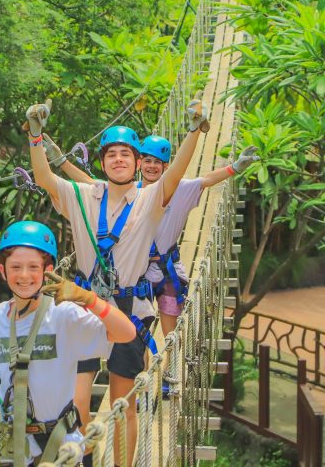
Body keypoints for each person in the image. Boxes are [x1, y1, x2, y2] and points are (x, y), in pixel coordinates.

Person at [24, 97, 209, 466]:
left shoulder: (150, 198)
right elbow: (44, 178)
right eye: (112, 154)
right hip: (84, 307)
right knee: (77, 404)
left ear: (139, 164)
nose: (119, 159)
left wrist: (193, 132)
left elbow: (174, 176)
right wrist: (35, 135)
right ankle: (88, 460)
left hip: (129, 311)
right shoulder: (82, 195)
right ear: (103, 161)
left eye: (127, 154)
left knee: (123, 404)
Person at [47, 133, 259, 396]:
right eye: (147, 160)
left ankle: (170, 371)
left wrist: (233, 168)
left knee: (171, 324)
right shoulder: (129, 189)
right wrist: (60, 162)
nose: (151, 166)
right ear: (140, 163)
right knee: (140, 326)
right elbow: (91, 185)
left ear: (166, 167)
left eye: (158, 162)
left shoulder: (177, 188)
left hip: (167, 266)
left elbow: (205, 180)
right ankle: (142, 378)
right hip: (142, 268)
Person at [0, 220, 136, 466]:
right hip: (11, 449)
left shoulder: (63, 314)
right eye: (15, 267)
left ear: (49, 269)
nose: (24, 275)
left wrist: (89, 299)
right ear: (3, 271)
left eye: (33, 267)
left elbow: (126, 333)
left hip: (58, 448)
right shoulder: (0, 316)